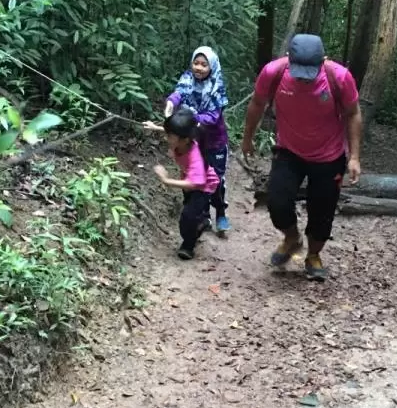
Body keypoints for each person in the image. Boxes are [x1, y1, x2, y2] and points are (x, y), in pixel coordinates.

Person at [240, 33, 363, 282]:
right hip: (289, 150)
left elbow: (353, 113)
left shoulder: (339, 77)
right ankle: (291, 238)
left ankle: (313, 256)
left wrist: (354, 157)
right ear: (288, 59)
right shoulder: (273, 73)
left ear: (324, 61)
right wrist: (247, 138)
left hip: (329, 156)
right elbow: (256, 104)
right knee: (277, 202)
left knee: (322, 213)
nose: (304, 79)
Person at [164, 47, 231, 234]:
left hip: (214, 141)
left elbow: (213, 116)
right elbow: (179, 93)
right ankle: (202, 215)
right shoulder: (187, 79)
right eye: (196, 63)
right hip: (194, 143)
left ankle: (220, 211)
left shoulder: (217, 86)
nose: (199, 68)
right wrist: (171, 103)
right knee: (195, 177)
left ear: (212, 66)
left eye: (204, 64)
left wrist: (190, 120)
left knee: (216, 179)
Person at [153, 108, 222, 260]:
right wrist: (155, 127)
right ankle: (202, 220)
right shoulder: (184, 140)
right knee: (191, 208)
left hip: (202, 187)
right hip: (190, 180)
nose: (166, 138)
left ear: (184, 139)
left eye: (169, 135)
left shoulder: (195, 157)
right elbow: (174, 134)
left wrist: (166, 180)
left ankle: (188, 245)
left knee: (187, 218)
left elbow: (194, 183)